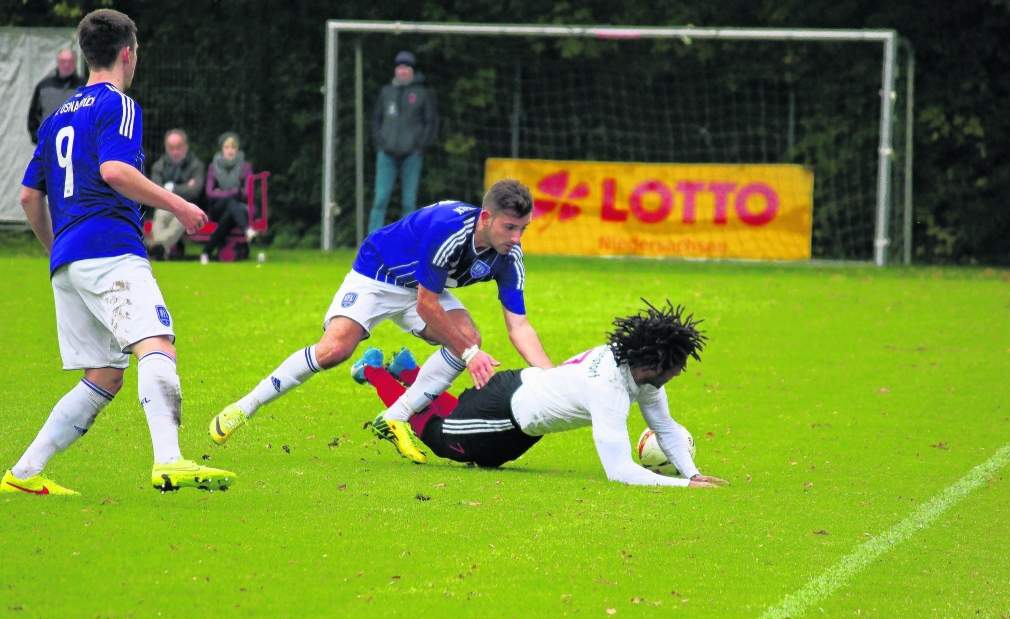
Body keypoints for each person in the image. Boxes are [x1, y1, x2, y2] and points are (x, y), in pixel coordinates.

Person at [2, 9, 236, 496]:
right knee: (157, 343)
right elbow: (114, 171)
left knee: (106, 374)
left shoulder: (56, 117)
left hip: (68, 260)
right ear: (128, 54)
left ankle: (23, 474)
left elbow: (28, 196)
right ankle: (169, 460)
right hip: (110, 248)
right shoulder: (119, 104)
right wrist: (179, 205)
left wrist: (58, 251)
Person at [208, 180, 553, 456]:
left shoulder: (510, 256)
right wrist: (469, 353)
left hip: (421, 287)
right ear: (486, 218)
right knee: (334, 350)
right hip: (378, 274)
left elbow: (519, 325)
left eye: (523, 229)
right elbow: (427, 306)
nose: (516, 238)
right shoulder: (450, 230)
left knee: (468, 336)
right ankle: (245, 406)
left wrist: (554, 380)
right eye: (510, 227)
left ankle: (395, 417)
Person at [354, 301, 729, 488]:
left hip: (522, 422)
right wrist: (684, 487)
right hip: (503, 410)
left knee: (460, 428)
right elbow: (619, 471)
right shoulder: (609, 389)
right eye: (677, 365)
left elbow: (664, 426)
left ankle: (407, 371)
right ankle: (373, 372)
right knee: (438, 436)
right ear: (654, 362)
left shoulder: (637, 372)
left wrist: (693, 474)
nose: (679, 372)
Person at [368, 50, 438, 233]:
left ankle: (407, 240)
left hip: (412, 155)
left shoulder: (422, 93)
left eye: (407, 67)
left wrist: (420, 146)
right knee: (380, 199)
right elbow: (376, 119)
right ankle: (373, 240)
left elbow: (430, 122)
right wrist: (380, 143)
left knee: (409, 202)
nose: (403, 70)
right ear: (395, 70)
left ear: (412, 71)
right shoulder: (386, 92)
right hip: (386, 153)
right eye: (400, 67)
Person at [146, 128, 205, 259]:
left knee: (182, 216)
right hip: (165, 207)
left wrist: (171, 188)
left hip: (188, 207)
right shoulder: (159, 165)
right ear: (166, 148)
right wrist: (185, 187)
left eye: (178, 147)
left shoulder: (196, 165)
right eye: (171, 147)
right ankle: (160, 249)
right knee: (160, 214)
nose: (175, 151)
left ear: (185, 147)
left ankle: (156, 247)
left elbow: (195, 191)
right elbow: (155, 191)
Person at [201, 131, 253, 263]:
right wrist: (233, 192)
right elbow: (209, 193)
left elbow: (247, 193)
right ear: (221, 149)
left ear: (237, 149)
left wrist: (222, 192)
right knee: (230, 201)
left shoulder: (246, 167)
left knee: (231, 211)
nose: (230, 150)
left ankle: (206, 252)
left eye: (233, 147)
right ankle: (247, 229)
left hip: (239, 207)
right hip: (218, 208)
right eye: (227, 147)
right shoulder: (213, 167)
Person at [27, 48, 86, 144]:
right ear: (58, 62)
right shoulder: (44, 87)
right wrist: (38, 139)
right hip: (49, 145)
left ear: (75, 63)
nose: (66, 65)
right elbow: (33, 116)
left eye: (70, 61)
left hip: (78, 146)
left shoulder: (86, 87)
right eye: (63, 61)